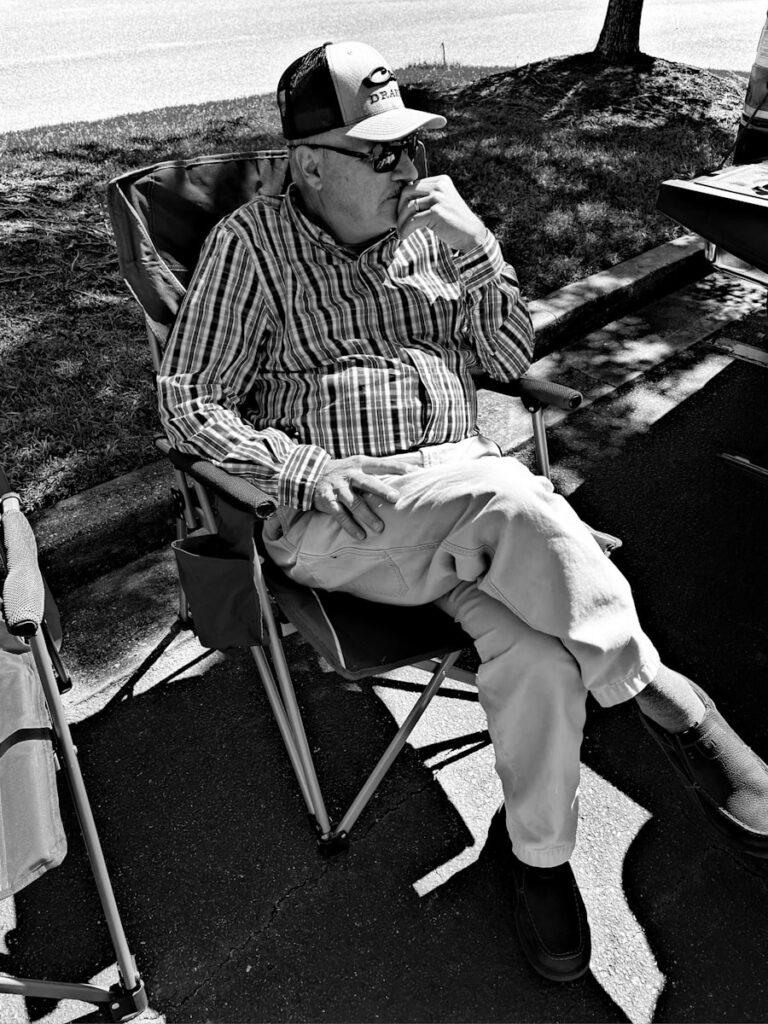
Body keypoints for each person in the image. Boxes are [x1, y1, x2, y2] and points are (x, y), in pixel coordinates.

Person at [157, 40, 768, 982]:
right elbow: (188, 400)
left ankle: (540, 863)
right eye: (383, 152)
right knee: (510, 494)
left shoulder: (431, 235)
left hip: (468, 511)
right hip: (343, 515)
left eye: (413, 145)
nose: (410, 167)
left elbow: (505, 353)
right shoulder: (252, 246)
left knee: (539, 654)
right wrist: (301, 473)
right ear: (309, 163)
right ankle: (668, 701)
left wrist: (479, 254)